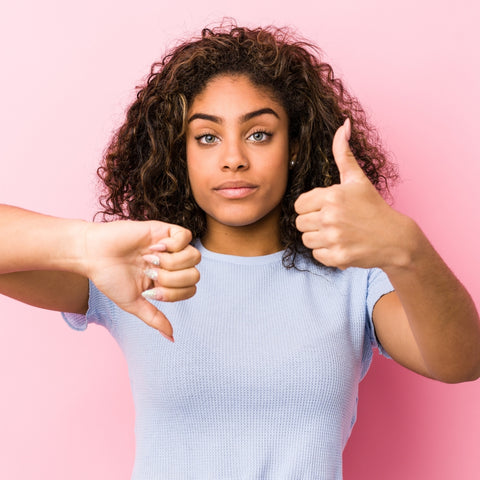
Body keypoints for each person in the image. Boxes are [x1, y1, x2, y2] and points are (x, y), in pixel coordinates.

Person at [1, 24, 479, 479]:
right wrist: (81, 245)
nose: (233, 157)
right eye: (207, 137)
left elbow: (461, 361)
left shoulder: (354, 278)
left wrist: (406, 248)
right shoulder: (137, 264)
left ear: (294, 146)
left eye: (258, 134)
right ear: (178, 153)